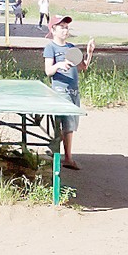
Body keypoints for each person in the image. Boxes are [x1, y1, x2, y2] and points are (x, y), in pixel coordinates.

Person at [43, 14, 94, 170]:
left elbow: (83, 67)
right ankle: (67, 158)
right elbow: (48, 71)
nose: (65, 30)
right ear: (53, 30)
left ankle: (60, 154)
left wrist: (89, 52)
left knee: (69, 126)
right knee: (65, 125)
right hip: (60, 91)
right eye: (62, 27)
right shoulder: (50, 48)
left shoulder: (71, 47)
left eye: (66, 27)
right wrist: (59, 65)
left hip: (74, 91)